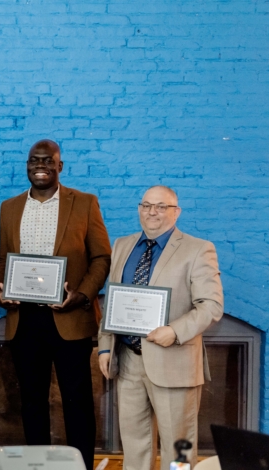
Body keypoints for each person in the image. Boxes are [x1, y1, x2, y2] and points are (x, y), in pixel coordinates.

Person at [0, 139, 111, 470]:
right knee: (32, 402)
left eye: (48, 160)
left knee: (76, 402)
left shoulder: (85, 203)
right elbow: (3, 258)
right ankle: (39, 467)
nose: (40, 165)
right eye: (34, 160)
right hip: (24, 319)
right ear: (27, 166)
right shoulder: (9, 207)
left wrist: (83, 295)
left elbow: (101, 257)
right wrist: (1, 289)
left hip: (69, 316)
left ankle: (81, 466)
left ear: (60, 166)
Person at [98, 185, 223, 470]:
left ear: (176, 212)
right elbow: (113, 302)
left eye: (161, 206)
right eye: (146, 205)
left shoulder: (198, 249)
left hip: (174, 363)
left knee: (179, 447)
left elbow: (211, 305)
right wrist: (105, 346)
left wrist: (175, 331)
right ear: (139, 209)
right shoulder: (122, 245)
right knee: (133, 445)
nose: (152, 212)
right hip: (128, 361)